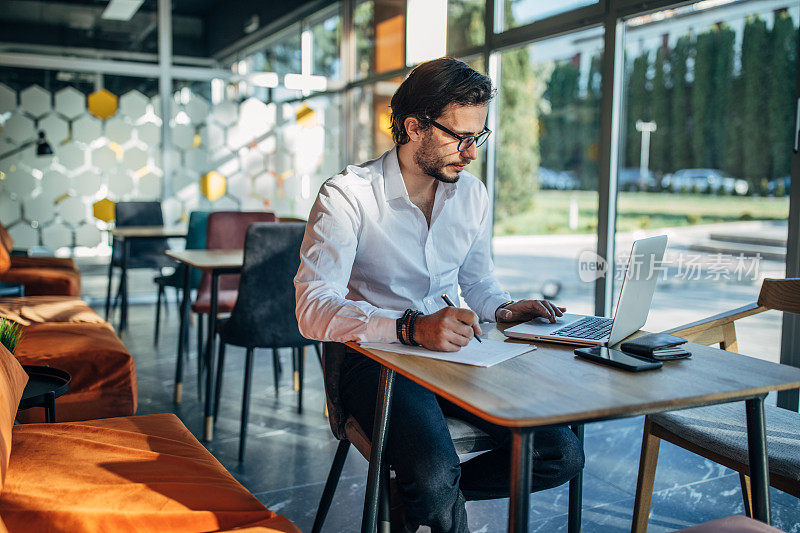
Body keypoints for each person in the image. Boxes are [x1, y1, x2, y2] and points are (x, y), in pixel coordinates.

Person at [295, 57, 584, 532]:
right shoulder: (346, 196)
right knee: (431, 471)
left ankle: (414, 496)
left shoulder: (471, 195)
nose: (471, 152)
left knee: (561, 453)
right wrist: (410, 327)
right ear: (414, 127)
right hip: (373, 357)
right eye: (460, 137)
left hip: (455, 352)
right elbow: (312, 307)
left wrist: (505, 309)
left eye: (479, 137)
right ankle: (427, 491)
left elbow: (478, 282)